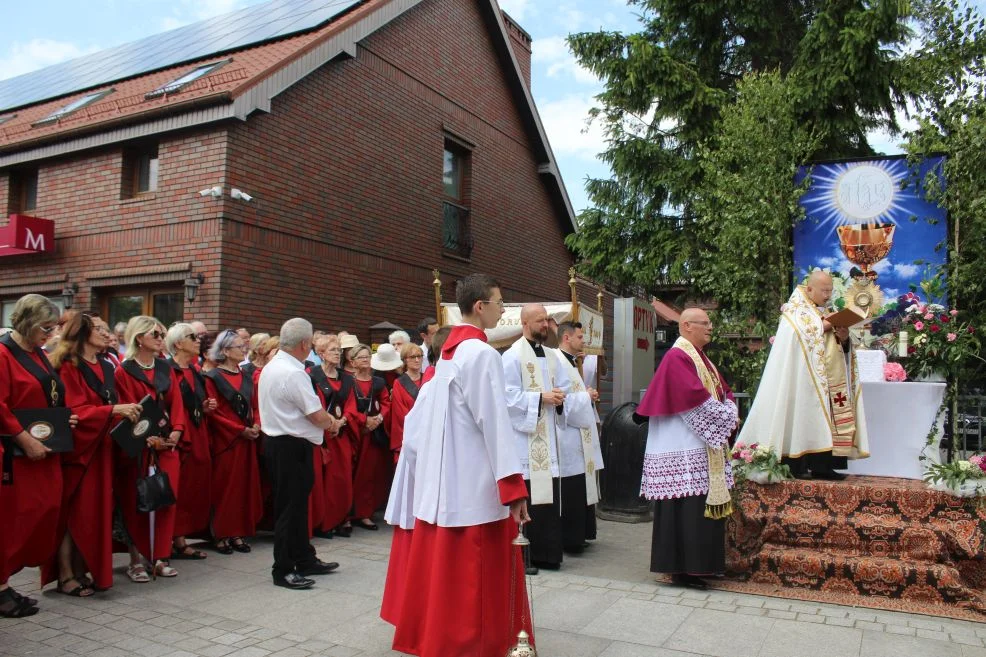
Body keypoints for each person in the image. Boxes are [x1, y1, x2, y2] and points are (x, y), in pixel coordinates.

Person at [383, 273, 532, 657]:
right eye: (500, 303)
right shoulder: (481, 354)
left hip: (448, 481)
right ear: (480, 307)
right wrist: (513, 486)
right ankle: (478, 644)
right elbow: (494, 422)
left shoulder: (447, 355)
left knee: (450, 576)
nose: (503, 310)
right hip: (476, 484)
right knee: (476, 576)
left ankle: (446, 640)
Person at [637, 308, 737, 590]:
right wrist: (727, 414)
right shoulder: (677, 356)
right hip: (682, 446)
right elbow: (693, 397)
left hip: (698, 445)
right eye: (704, 323)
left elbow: (722, 390)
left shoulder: (702, 359)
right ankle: (683, 569)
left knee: (695, 508)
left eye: (710, 322)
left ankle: (701, 565)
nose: (711, 327)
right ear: (686, 326)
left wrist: (728, 406)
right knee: (685, 509)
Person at [43, 314, 141, 597]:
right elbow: (75, 410)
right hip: (80, 452)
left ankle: (82, 568)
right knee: (73, 514)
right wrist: (113, 411)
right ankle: (65, 575)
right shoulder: (68, 366)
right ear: (83, 333)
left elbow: (113, 403)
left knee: (94, 514)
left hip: (103, 449)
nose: (107, 334)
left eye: (107, 328)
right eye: (99, 329)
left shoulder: (107, 366)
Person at [737, 270, 869, 479]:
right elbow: (801, 333)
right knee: (802, 418)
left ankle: (824, 466)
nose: (828, 295)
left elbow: (831, 341)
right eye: (824, 291)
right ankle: (796, 465)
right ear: (809, 289)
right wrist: (827, 325)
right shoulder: (795, 310)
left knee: (826, 418)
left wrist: (843, 338)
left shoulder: (827, 311)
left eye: (830, 291)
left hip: (829, 379)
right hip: (803, 381)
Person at [0, 295, 78, 616]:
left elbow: (47, 395)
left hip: (41, 449)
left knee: (40, 512)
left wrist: (64, 416)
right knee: (13, 519)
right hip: (14, 452)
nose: (51, 335)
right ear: (27, 322)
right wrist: (22, 437)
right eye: (46, 328)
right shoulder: (4, 354)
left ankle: (5, 581)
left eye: (54, 328)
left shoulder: (36, 354)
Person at [258, 318, 339, 590]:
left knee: (297, 506)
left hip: (280, 442)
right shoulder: (293, 373)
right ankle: (282, 569)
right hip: (290, 445)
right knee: (289, 509)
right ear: (305, 344)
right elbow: (316, 415)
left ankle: (304, 557)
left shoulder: (273, 366)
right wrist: (334, 423)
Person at [114, 316, 186, 582]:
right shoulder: (124, 371)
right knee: (139, 501)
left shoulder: (165, 368)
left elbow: (176, 402)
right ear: (139, 338)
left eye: (162, 333)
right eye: (155, 333)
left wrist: (177, 430)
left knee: (166, 498)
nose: (160, 338)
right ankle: (136, 559)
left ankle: (160, 556)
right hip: (140, 446)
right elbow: (127, 408)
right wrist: (148, 437)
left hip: (167, 445)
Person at [502, 303, 571, 573]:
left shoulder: (554, 356)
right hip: (524, 437)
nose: (545, 325)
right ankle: (524, 556)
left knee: (548, 495)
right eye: (540, 320)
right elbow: (506, 397)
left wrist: (560, 397)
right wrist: (541, 397)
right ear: (525, 323)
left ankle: (548, 554)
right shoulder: (511, 356)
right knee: (529, 494)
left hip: (548, 435)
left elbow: (564, 388)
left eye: (546, 320)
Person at [203, 329, 264, 555]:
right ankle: (221, 533)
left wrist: (257, 424)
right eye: (240, 347)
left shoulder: (246, 376)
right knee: (224, 488)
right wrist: (240, 430)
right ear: (226, 350)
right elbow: (214, 413)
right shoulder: (212, 377)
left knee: (243, 487)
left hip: (248, 439)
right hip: (226, 441)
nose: (244, 350)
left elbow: (256, 405)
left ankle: (237, 532)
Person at [554, 321, 604, 553]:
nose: (583, 341)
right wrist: (586, 396)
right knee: (572, 486)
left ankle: (582, 532)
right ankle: (569, 538)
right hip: (567, 434)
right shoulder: (556, 361)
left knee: (582, 482)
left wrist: (586, 396)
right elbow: (562, 400)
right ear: (567, 337)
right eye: (580, 337)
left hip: (579, 434)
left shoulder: (572, 363)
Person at [166, 323, 214, 560]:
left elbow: (195, 402)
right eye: (192, 337)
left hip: (197, 430)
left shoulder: (195, 370)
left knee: (192, 486)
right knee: (178, 485)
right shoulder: (167, 369)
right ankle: (171, 539)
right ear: (177, 343)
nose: (198, 341)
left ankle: (181, 537)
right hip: (179, 433)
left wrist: (204, 407)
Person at [308, 333, 358, 538]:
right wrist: (329, 423)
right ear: (321, 353)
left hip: (341, 435)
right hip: (321, 435)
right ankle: (323, 522)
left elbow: (352, 405)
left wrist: (342, 421)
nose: (338, 354)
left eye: (339, 350)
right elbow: (313, 403)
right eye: (332, 350)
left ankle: (339, 519)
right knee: (323, 480)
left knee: (342, 478)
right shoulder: (312, 375)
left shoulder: (347, 378)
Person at [350, 343, 392, 530]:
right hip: (353, 432)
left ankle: (365, 513)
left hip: (373, 435)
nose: (366, 360)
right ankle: (348, 514)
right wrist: (363, 420)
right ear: (352, 361)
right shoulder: (348, 381)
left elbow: (385, 402)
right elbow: (347, 406)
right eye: (361, 357)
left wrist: (378, 418)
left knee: (369, 474)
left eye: (368, 356)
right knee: (351, 474)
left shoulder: (378, 382)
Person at [388, 343, 424, 463]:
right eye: (413, 357)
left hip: (427, 432)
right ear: (405, 360)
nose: (417, 359)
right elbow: (399, 413)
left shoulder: (428, 379)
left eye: (420, 356)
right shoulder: (399, 383)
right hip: (409, 434)